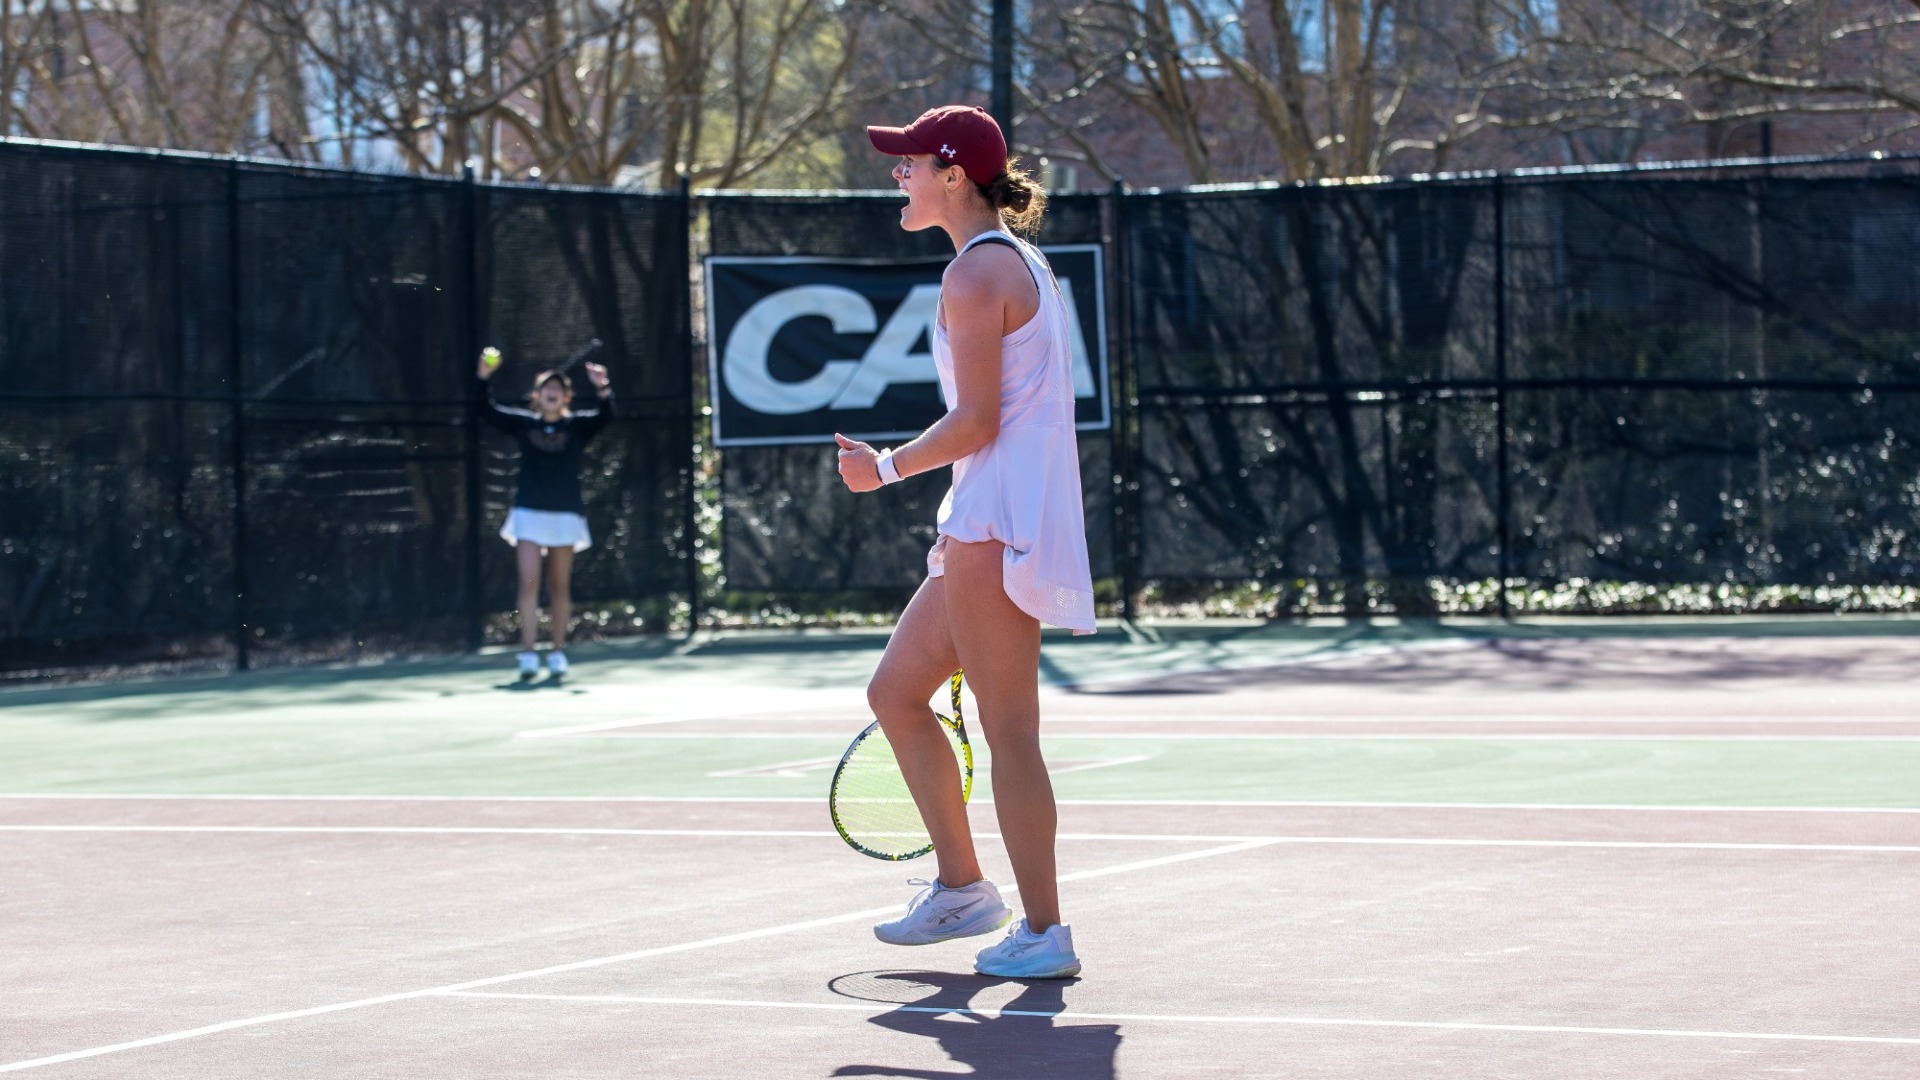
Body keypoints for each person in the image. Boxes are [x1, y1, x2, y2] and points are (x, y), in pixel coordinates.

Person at [835, 104, 1096, 980]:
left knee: (1010, 732)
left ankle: (1045, 933)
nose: (897, 175)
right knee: (895, 692)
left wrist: (884, 468)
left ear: (952, 175)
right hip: (984, 520)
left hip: (997, 528)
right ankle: (962, 890)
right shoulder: (1013, 261)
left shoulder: (978, 272)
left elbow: (978, 420)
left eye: (909, 162)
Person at [475, 353, 615, 680]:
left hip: (565, 515)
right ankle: (527, 654)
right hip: (529, 513)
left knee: (559, 586)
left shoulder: (576, 427)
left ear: (566, 397)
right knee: (529, 583)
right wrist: (483, 376)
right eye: (546, 388)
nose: (552, 392)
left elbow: (607, 416)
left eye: (558, 389)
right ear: (537, 396)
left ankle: (556, 652)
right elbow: (486, 410)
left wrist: (602, 386)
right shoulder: (525, 424)